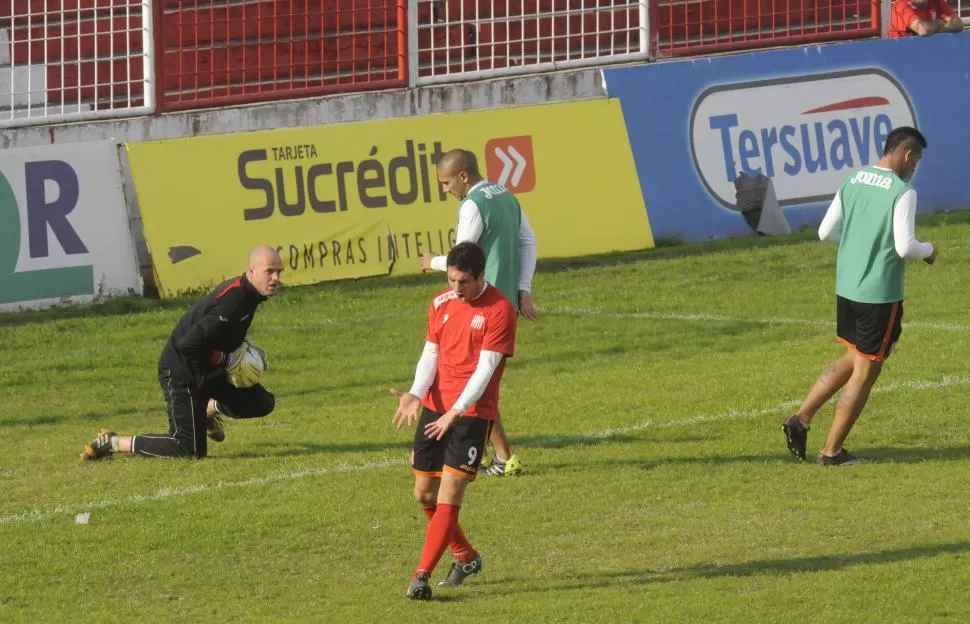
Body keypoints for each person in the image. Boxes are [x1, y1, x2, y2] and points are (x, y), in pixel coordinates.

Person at [782, 127, 937, 466]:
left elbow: (826, 232)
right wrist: (929, 250)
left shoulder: (854, 179)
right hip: (879, 294)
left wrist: (859, 243)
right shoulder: (903, 191)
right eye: (917, 160)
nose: (915, 167)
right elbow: (904, 246)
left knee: (854, 356)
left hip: (848, 288)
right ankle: (832, 451)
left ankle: (801, 418)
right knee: (866, 372)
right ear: (907, 155)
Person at [391, 241, 517, 599]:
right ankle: (466, 557)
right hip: (435, 408)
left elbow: (486, 369)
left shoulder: (500, 311)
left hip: (471, 414)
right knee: (423, 493)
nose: (456, 289)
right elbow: (431, 351)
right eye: (451, 280)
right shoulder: (441, 303)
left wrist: (456, 411)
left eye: (464, 282)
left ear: (481, 277)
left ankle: (421, 576)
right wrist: (416, 392)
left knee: (449, 494)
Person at [81, 245, 283, 460]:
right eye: (269, 271)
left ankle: (206, 411)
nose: (276, 277)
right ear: (251, 270)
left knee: (262, 402)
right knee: (189, 449)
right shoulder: (232, 302)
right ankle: (112, 442)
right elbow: (189, 345)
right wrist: (226, 358)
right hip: (182, 371)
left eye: (279, 271)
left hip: (208, 370)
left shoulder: (249, 296)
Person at [421, 148, 537, 477]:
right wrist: (524, 288)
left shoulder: (473, 204)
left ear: (463, 176)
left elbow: (463, 259)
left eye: (446, 183)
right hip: (505, 304)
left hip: (482, 304)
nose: (445, 190)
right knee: (480, 379)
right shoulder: (504, 193)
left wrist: (432, 262)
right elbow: (530, 240)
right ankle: (489, 451)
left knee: (477, 380)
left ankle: (501, 455)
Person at [888, 0, 964, 38]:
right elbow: (923, 30)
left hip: (927, 49)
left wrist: (933, 28)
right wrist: (938, 23)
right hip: (902, 53)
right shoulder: (900, 5)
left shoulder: (935, 1)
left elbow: (959, 23)